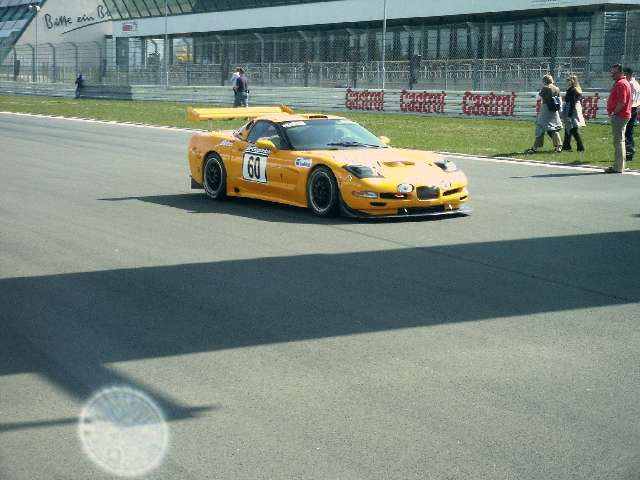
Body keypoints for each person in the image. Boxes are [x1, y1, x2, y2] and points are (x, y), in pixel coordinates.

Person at [605, 64, 632, 173]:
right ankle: (620, 165)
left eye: (615, 73)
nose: (612, 75)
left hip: (619, 116)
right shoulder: (622, 83)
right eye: (612, 72)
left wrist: (613, 112)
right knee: (620, 141)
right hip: (622, 115)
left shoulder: (621, 84)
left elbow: (622, 102)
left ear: (621, 72)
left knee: (618, 141)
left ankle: (618, 166)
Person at [526, 75, 563, 154]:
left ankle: (535, 147)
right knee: (553, 128)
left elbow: (538, 98)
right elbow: (559, 100)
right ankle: (558, 147)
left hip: (546, 109)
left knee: (540, 127)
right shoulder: (557, 88)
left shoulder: (545, 88)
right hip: (554, 109)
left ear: (545, 81)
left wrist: (540, 92)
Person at [561, 75, 586, 152]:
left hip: (571, 110)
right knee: (568, 128)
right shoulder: (575, 89)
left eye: (568, 80)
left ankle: (580, 147)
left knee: (573, 129)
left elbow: (572, 103)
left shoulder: (572, 90)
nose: (567, 82)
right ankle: (566, 146)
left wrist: (569, 115)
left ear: (572, 81)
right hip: (572, 109)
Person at [623, 67, 640, 162]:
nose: (623, 76)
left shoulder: (630, 84)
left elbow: (631, 98)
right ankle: (629, 151)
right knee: (629, 131)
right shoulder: (636, 83)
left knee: (626, 132)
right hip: (635, 108)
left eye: (625, 74)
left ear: (629, 74)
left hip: (630, 108)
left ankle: (629, 151)